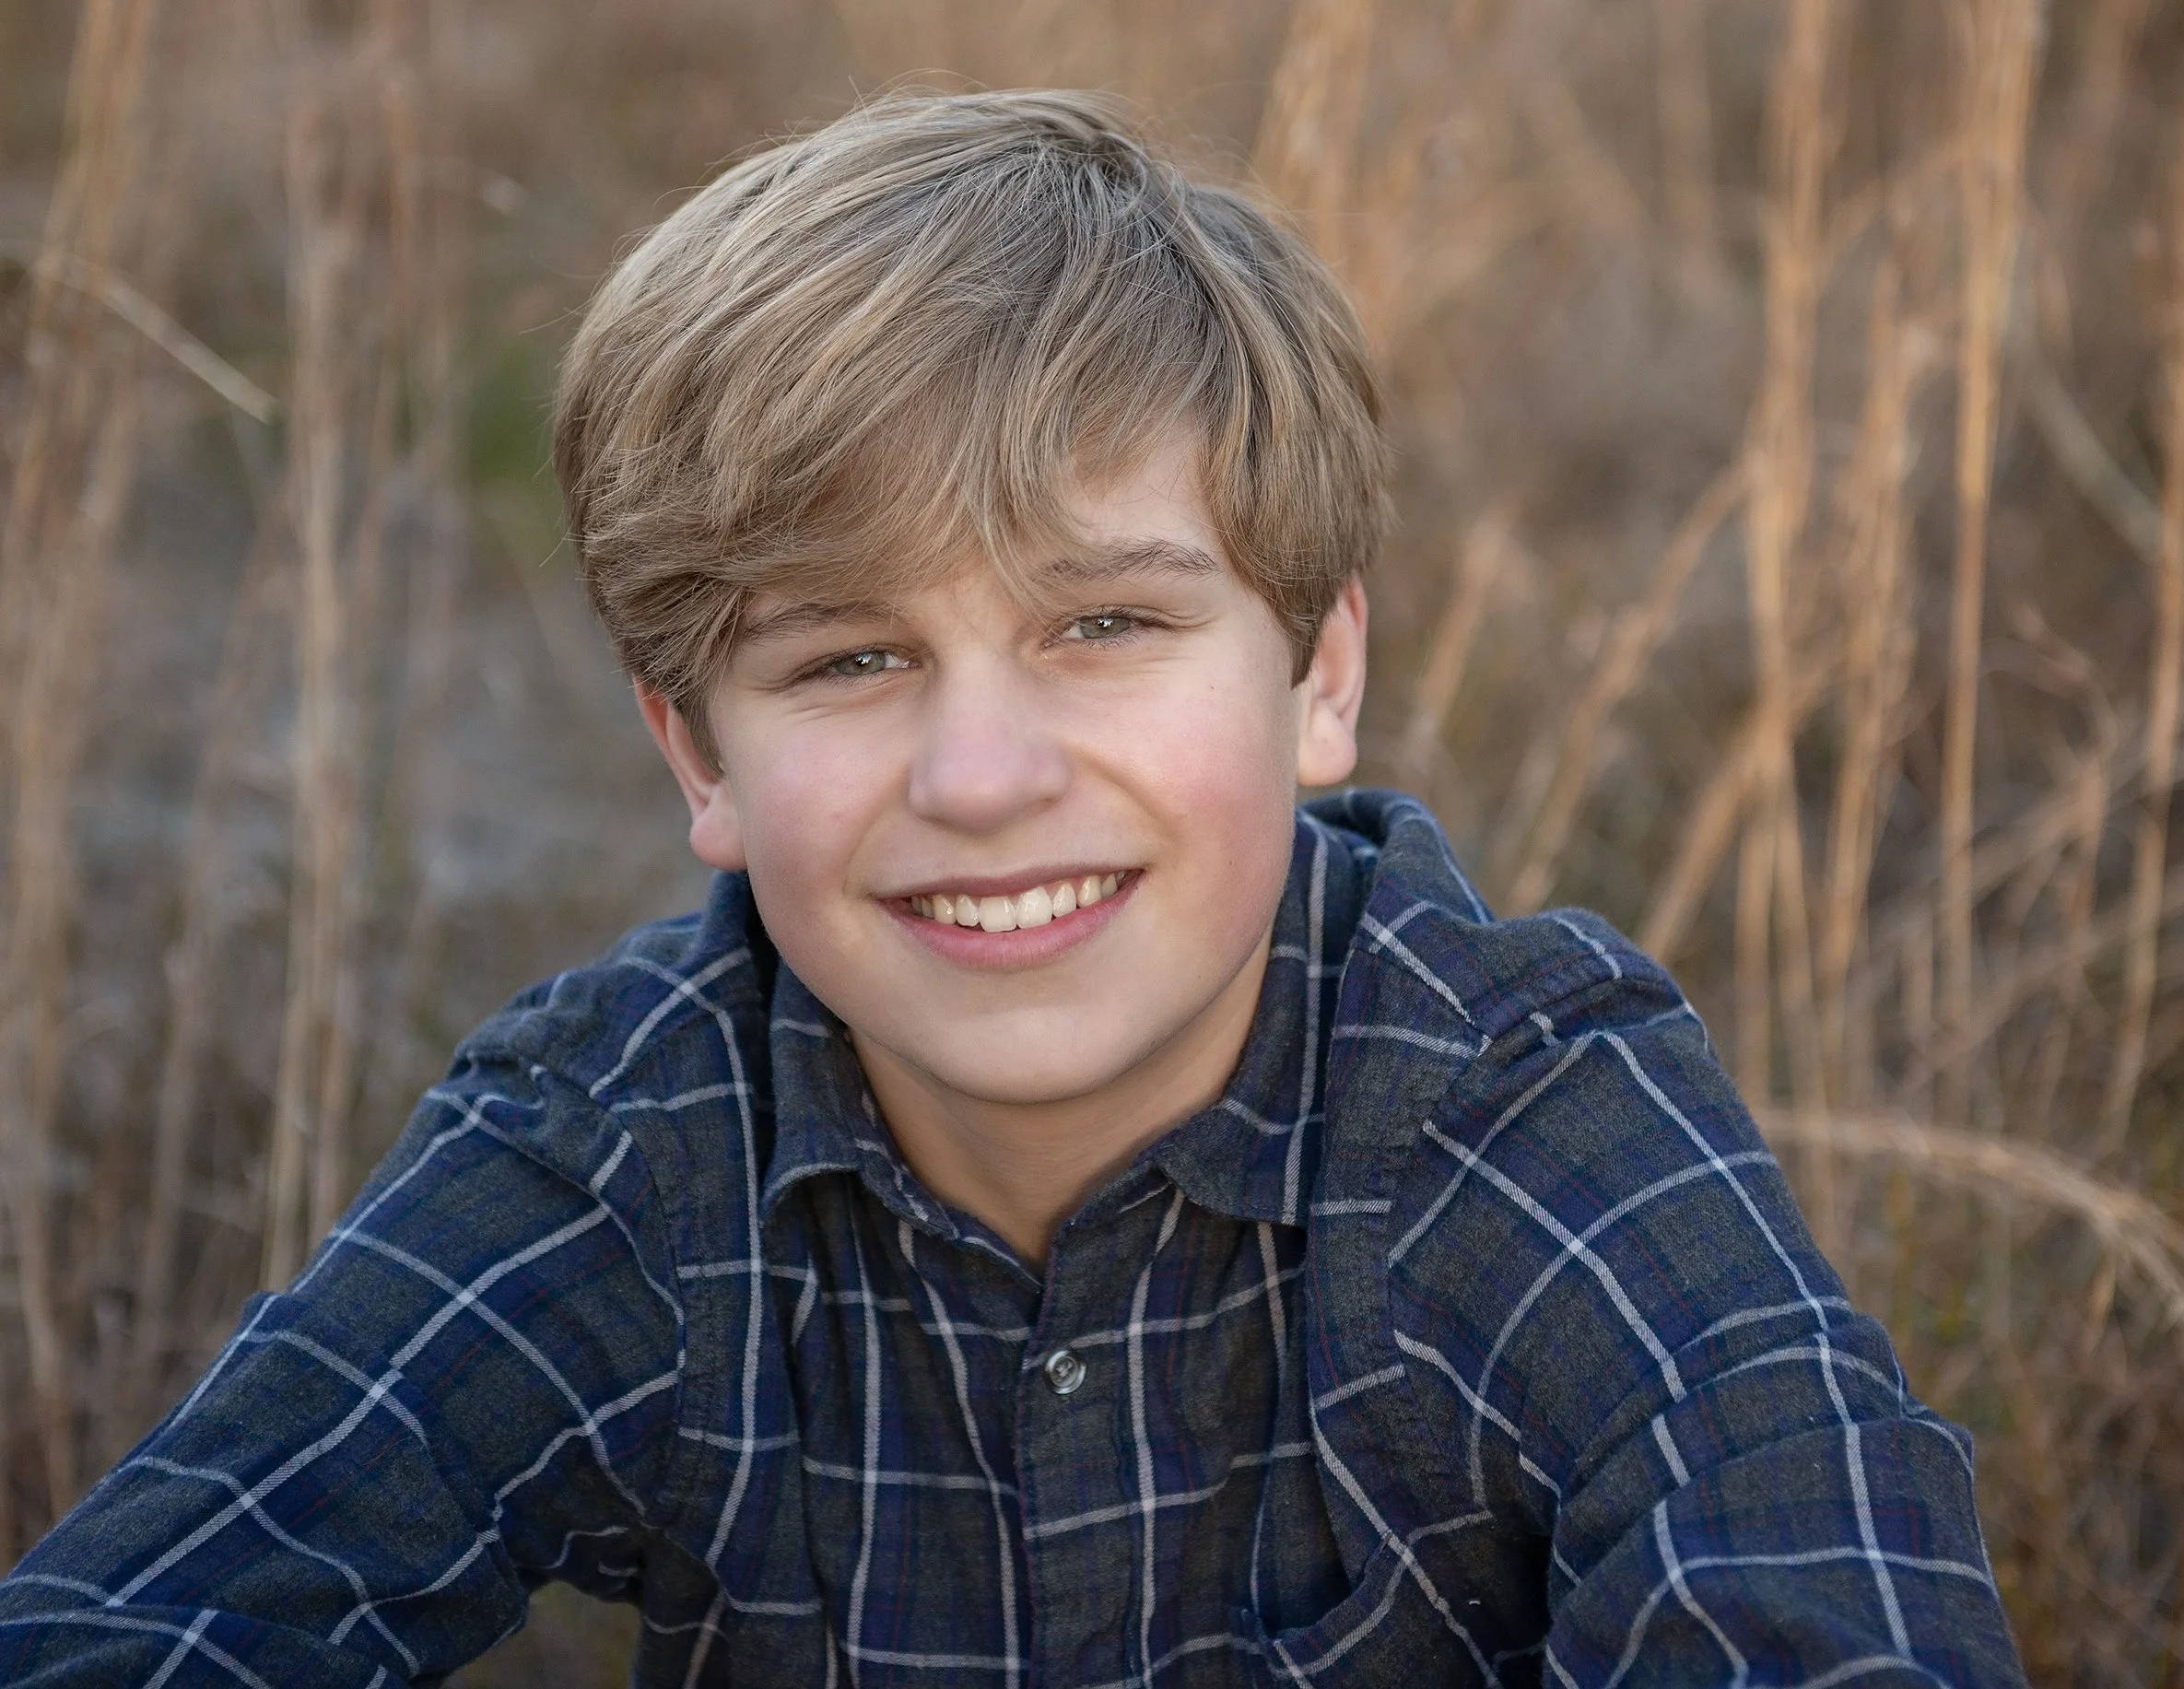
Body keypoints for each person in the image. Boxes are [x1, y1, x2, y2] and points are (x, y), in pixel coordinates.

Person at [0, 89, 2023, 1686]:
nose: (981, 778)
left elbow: (1810, 1578)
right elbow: (157, 1608)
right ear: (698, 757)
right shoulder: (627, 1148)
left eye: (1102, 625)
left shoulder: (1518, 1108)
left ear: (1316, 672)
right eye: (850, 659)